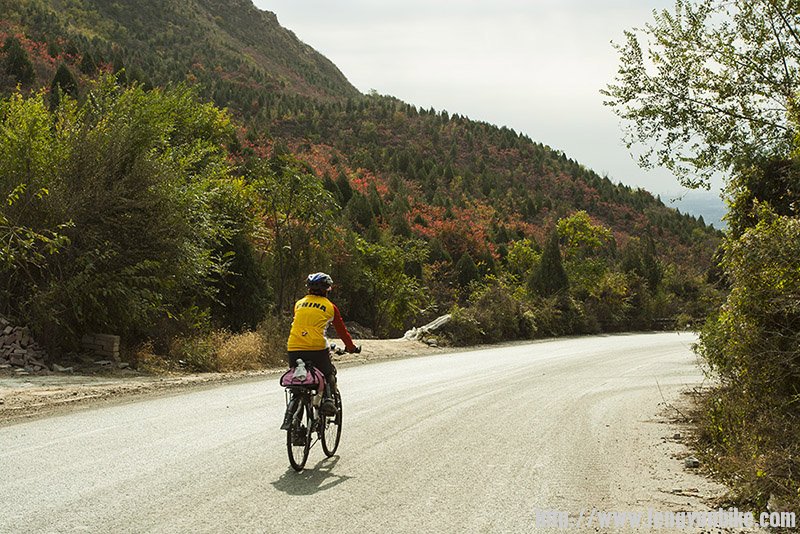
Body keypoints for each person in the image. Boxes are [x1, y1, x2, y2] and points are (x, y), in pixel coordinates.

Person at [282, 272, 359, 428]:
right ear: (327, 289)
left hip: (293, 347)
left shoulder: (298, 304)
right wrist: (351, 348)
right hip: (317, 348)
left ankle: (294, 419)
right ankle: (329, 401)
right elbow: (342, 331)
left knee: (299, 381)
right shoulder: (330, 307)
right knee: (328, 373)